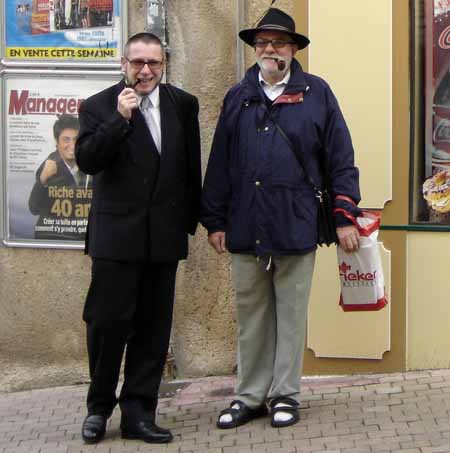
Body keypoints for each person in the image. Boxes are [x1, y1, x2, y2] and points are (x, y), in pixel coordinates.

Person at [201, 8, 361, 429]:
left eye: (278, 42)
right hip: (246, 223)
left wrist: (345, 215)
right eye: (263, 43)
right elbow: (220, 162)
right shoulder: (239, 96)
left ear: (293, 49)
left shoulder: (317, 94)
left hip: (296, 220)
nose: (270, 49)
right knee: (251, 314)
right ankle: (249, 395)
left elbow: (341, 159)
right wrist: (215, 219)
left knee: (290, 315)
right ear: (256, 49)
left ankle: (285, 394)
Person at [75, 32, 201, 444]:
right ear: (123, 64)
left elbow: (189, 168)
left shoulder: (182, 104)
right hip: (116, 238)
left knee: (152, 329)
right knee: (106, 325)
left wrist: (192, 221)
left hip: (162, 238)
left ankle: (139, 412)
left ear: (164, 65)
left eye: (154, 64)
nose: (145, 71)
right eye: (138, 63)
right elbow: (89, 160)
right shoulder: (99, 106)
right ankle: (98, 408)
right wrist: (119, 120)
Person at [28, 113, 90, 241]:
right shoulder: (48, 166)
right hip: (53, 237)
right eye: (66, 139)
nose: (72, 145)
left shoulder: (89, 161)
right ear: (57, 142)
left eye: (76, 139)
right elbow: (33, 208)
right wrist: (42, 180)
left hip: (82, 238)